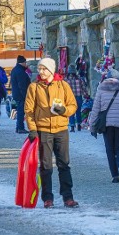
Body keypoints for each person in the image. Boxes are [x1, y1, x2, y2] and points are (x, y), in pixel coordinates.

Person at [25, 57, 80, 209]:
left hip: (61, 129)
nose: (40, 71)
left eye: (44, 69)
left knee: (64, 164)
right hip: (43, 131)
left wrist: (64, 111)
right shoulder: (34, 87)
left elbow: (73, 105)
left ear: (51, 70)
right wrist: (33, 129)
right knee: (46, 166)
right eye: (39, 69)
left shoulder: (63, 85)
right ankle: (47, 198)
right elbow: (29, 111)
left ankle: (68, 197)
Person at [88, 68, 119, 183]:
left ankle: (115, 174)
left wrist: (92, 126)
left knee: (109, 149)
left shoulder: (101, 89)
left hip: (107, 124)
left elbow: (95, 109)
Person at [10, 56, 31, 134]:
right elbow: (22, 85)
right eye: (25, 62)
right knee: (21, 111)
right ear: (22, 63)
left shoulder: (16, 70)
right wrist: (25, 95)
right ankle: (20, 128)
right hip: (21, 95)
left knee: (20, 111)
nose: (26, 64)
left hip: (17, 93)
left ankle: (18, 127)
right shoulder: (20, 72)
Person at [64, 64, 87, 132]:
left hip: (69, 98)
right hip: (78, 96)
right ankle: (79, 126)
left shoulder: (65, 79)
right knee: (78, 111)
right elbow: (83, 87)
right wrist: (86, 94)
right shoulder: (79, 78)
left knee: (71, 112)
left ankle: (72, 127)